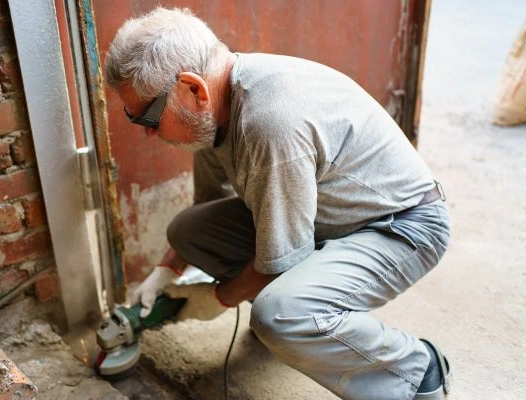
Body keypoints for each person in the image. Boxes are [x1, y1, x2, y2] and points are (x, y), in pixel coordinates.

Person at [105, 7, 452, 400]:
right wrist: (166, 271)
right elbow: (207, 208)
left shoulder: (268, 122)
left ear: (192, 89)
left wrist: (219, 297)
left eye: (148, 120)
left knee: (279, 316)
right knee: (187, 230)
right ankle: (299, 318)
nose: (148, 135)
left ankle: (415, 370)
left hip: (400, 225)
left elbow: (280, 258)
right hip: (328, 217)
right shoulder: (213, 113)